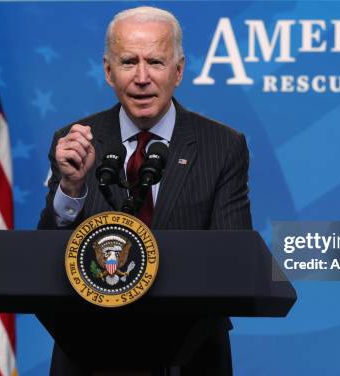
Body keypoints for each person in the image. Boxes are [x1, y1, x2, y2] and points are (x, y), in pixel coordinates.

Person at [38, 6, 252, 376]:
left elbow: (233, 257)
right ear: (108, 71)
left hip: (191, 351)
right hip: (87, 346)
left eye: (155, 61)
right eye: (128, 62)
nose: (142, 77)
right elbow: (46, 255)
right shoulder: (73, 141)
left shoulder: (222, 145)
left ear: (178, 70)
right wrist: (70, 188)